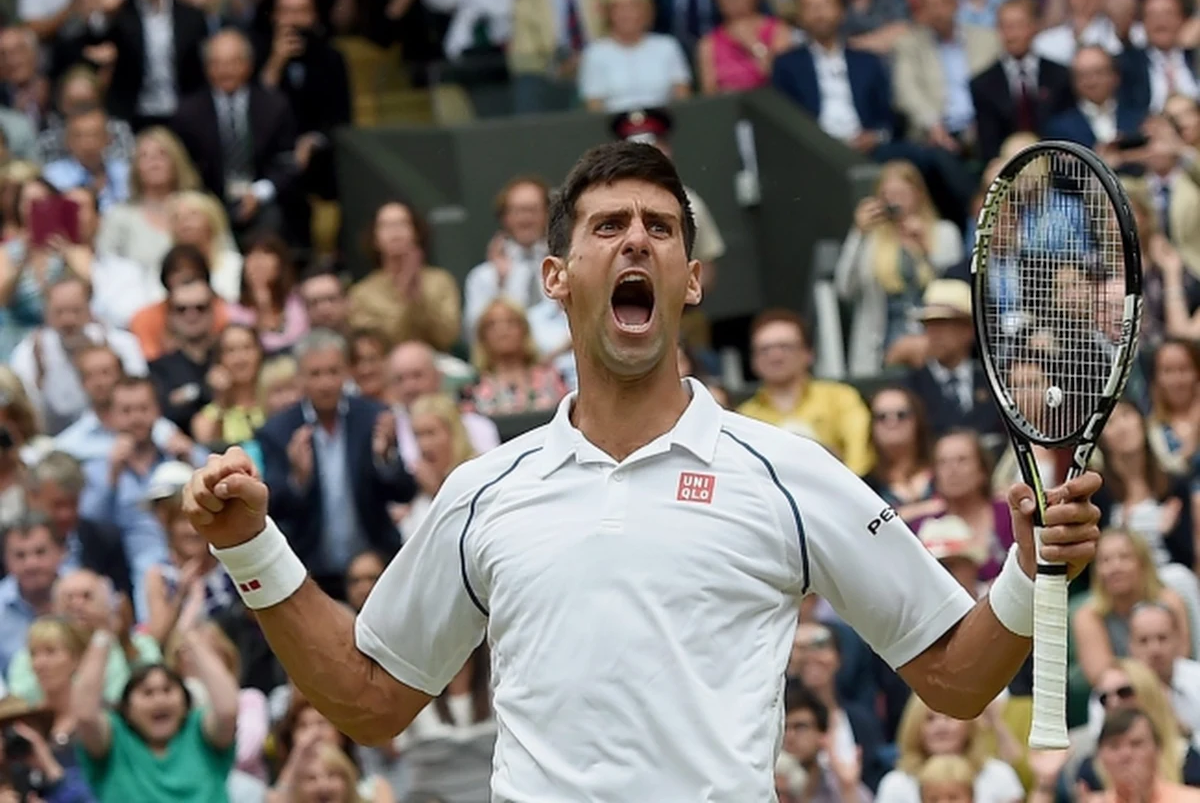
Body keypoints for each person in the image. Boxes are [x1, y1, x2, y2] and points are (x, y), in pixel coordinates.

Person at [183, 141, 1103, 800]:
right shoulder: (483, 491)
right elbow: (370, 700)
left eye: (660, 228)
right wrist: (250, 545)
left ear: (691, 279)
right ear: (555, 276)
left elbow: (954, 679)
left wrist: (1031, 570)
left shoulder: (788, 473)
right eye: (609, 225)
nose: (635, 241)